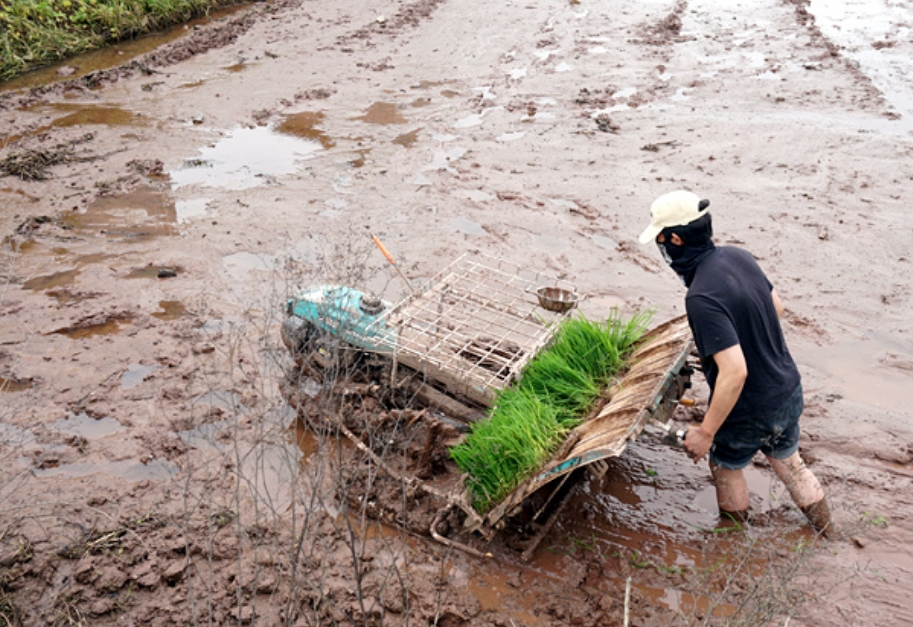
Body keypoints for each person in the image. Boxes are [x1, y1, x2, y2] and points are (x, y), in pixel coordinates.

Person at [638, 190, 833, 537]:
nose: (662, 248)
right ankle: (829, 534)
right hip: (786, 388)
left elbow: (735, 372)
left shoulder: (700, 296)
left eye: (661, 240)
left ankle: (732, 547)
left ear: (676, 239)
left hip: (748, 409)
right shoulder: (738, 257)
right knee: (790, 464)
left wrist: (705, 432)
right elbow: (777, 309)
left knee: (725, 466)